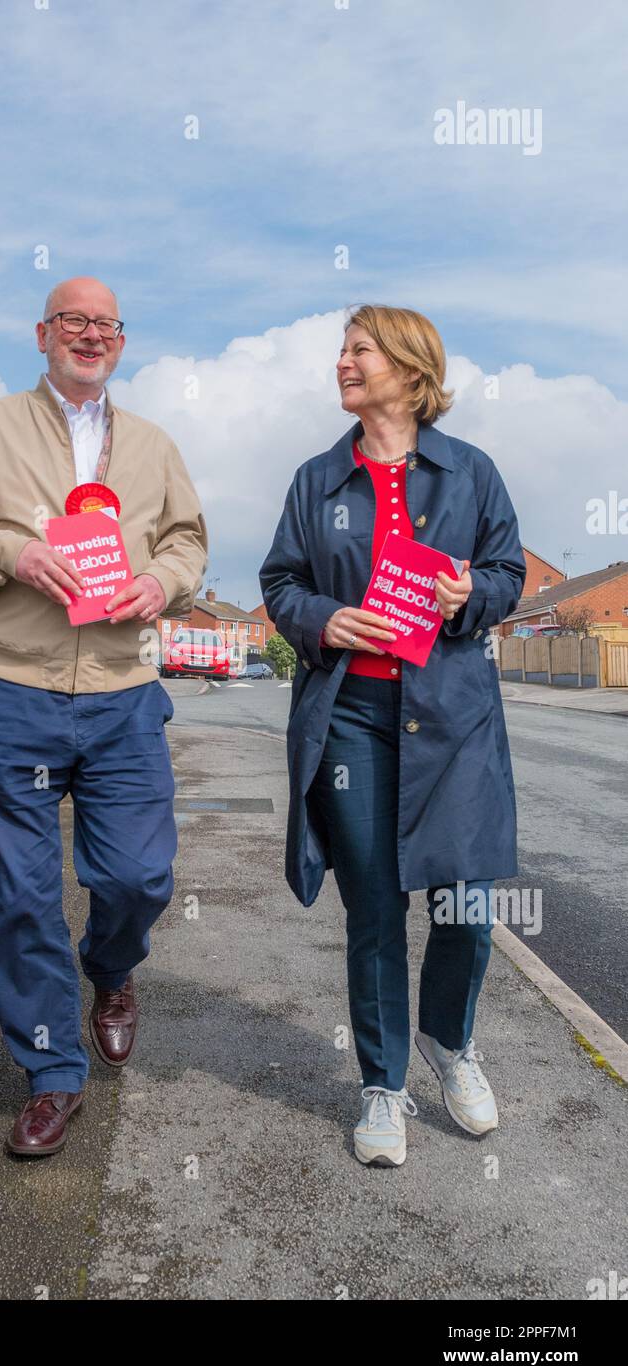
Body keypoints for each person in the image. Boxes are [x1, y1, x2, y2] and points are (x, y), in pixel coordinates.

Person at [0, 278, 207, 1157]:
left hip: (122, 692)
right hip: (10, 689)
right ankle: (51, 1073)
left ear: (121, 341)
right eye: (72, 320)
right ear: (42, 333)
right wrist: (12, 553)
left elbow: (188, 541)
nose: (89, 334)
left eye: (105, 324)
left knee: (138, 877)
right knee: (22, 896)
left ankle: (111, 971)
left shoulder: (153, 445)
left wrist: (162, 582)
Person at [259, 304, 525, 1167]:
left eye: (358, 351)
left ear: (410, 373)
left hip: (452, 721)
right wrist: (326, 619)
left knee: (466, 910)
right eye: (342, 350)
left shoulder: (471, 472)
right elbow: (280, 580)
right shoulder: (316, 480)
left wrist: (468, 597)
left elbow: (508, 571)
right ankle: (382, 1083)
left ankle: (448, 1041)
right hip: (353, 722)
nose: (342, 363)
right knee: (374, 911)